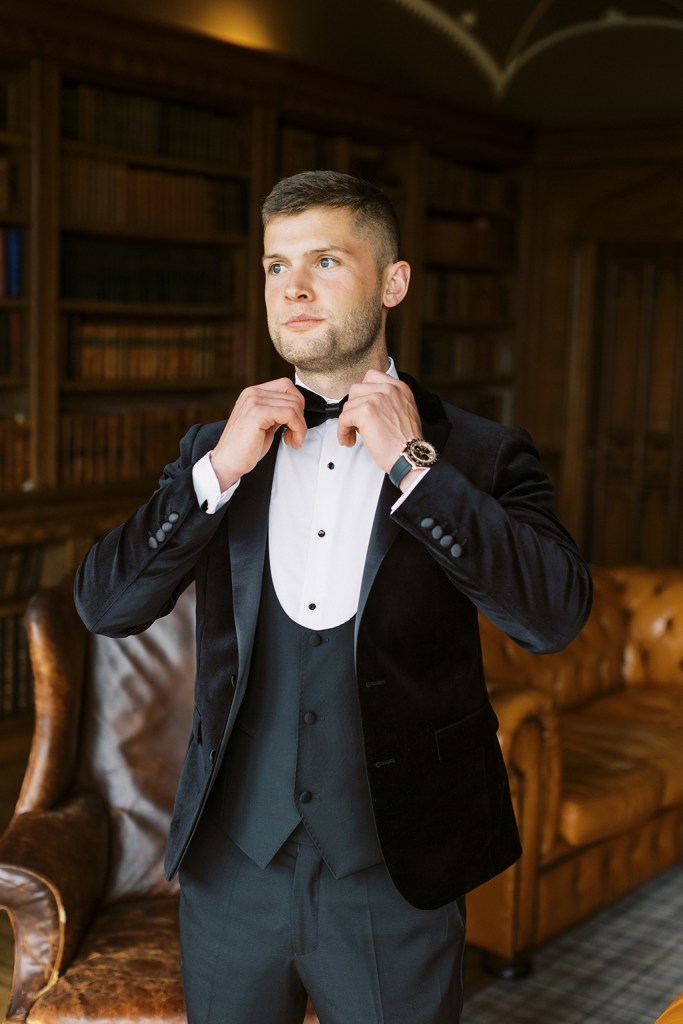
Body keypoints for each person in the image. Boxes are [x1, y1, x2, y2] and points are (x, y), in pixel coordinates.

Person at [74, 169, 592, 1024]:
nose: (295, 288)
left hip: (394, 878)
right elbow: (106, 607)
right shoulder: (217, 446)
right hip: (233, 871)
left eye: (324, 260)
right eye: (277, 266)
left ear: (392, 282)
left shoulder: (481, 452)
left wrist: (414, 467)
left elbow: (550, 616)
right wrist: (215, 473)